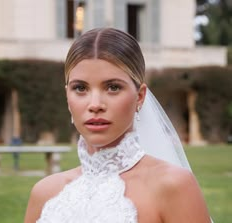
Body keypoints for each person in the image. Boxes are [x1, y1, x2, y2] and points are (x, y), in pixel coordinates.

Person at [24, 28, 212, 223]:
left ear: (140, 97)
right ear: (67, 96)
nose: (95, 104)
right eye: (80, 88)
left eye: (113, 87)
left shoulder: (173, 186)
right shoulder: (44, 194)